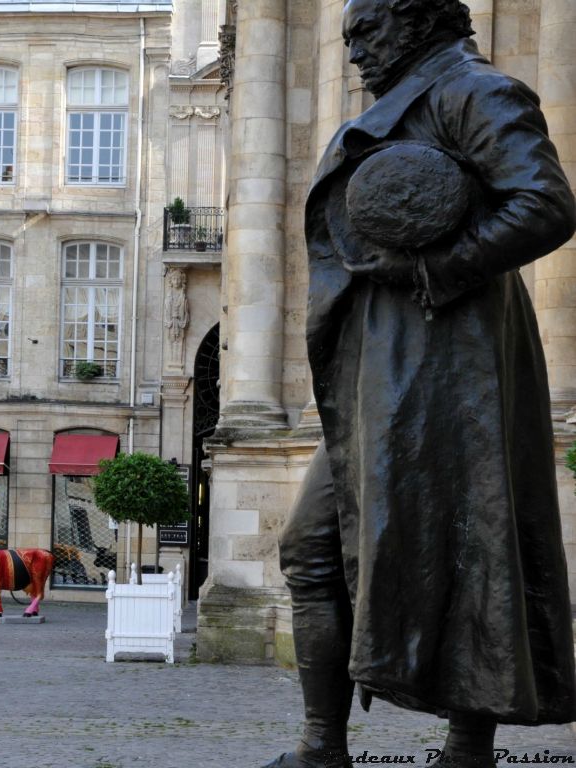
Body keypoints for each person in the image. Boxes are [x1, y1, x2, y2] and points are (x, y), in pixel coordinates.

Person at [270, 1, 576, 766]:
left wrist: (441, 269)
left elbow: (545, 203)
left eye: (368, 34)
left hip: (452, 364)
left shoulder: (475, 90)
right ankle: (322, 747)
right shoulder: (411, 99)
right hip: (383, 359)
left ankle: (466, 750)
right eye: (347, 39)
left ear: (416, 23)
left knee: (477, 541)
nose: (355, 54)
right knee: (311, 548)